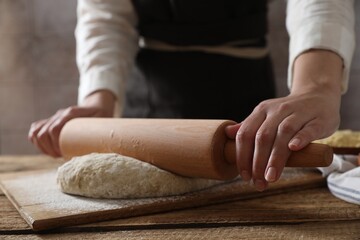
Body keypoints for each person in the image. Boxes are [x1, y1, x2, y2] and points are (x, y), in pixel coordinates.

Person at [28, 0, 355, 191]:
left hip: (247, 102)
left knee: (249, 184)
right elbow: (106, 13)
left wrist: (317, 85)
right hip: (151, 99)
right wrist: (97, 101)